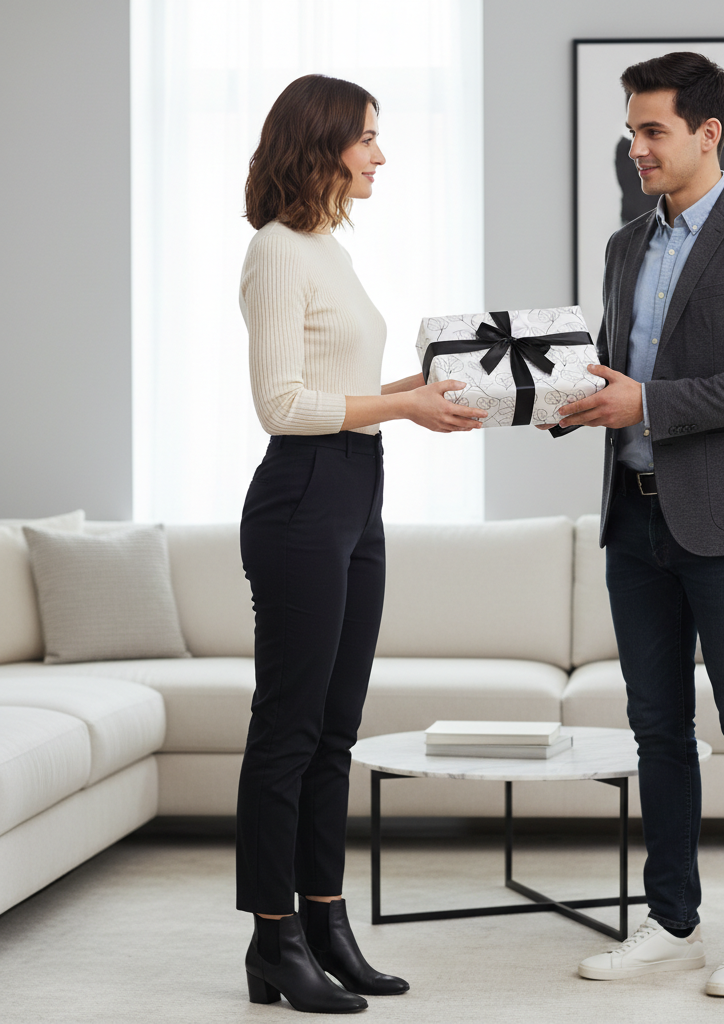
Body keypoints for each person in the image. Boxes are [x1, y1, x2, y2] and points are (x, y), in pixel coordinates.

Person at [555, 52, 724, 998]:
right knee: (655, 729)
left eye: (652, 130)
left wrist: (648, 404)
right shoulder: (627, 246)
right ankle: (669, 920)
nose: (636, 148)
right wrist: (568, 400)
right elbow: (616, 377)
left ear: (710, 134)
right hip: (635, 524)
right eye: (630, 130)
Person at [236, 74, 486, 1014]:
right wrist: (401, 404)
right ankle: (272, 939)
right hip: (303, 496)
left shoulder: (329, 248)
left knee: (335, 731)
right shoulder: (276, 252)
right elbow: (281, 404)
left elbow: (337, 384)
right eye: (368, 139)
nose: (380, 156)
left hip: (356, 487)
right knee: (288, 729)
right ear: (325, 141)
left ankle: (327, 922)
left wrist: (420, 392)